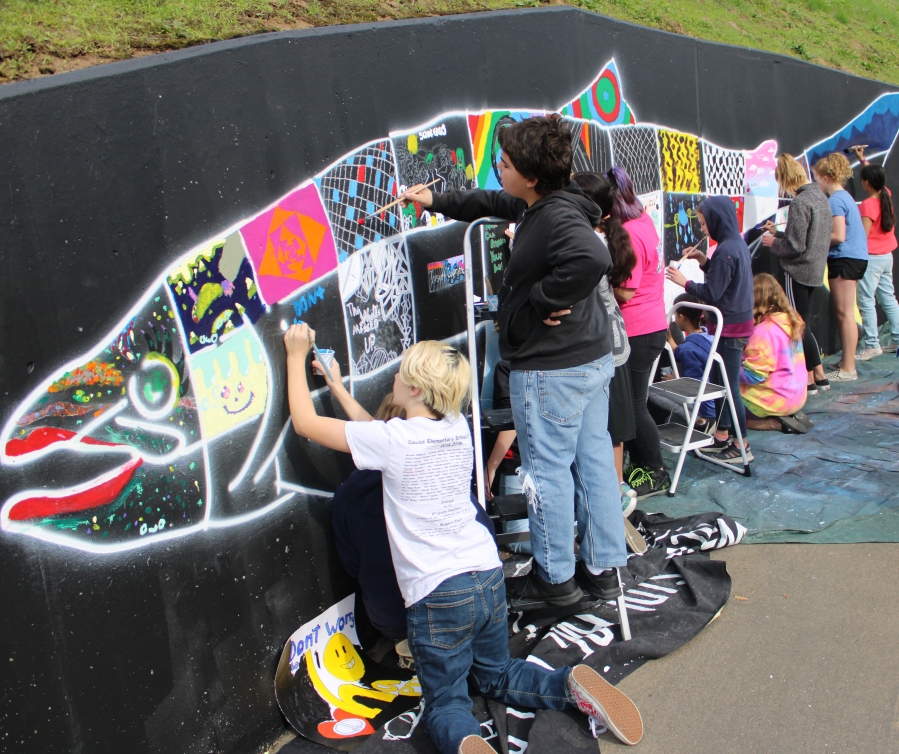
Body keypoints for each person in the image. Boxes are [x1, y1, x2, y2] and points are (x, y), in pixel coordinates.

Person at [283, 327, 644, 753]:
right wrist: (338, 388)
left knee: (446, 703)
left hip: (437, 593)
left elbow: (306, 424)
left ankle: (464, 741)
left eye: (400, 374)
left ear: (415, 389)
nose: (393, 378)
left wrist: (295, 354)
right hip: (486, 575)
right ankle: (567, 686)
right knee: (498, 674)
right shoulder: (456, 427)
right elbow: (373, 433)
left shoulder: (394, 441)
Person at [401, 116, 627, 611]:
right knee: (592, 465)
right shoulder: (546, 202)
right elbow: (489, 201)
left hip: (553, 369)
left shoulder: (554, 217)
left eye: (503, 164)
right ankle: (601, 569)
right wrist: (435, 200)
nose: (497, 169)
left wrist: (543, 299)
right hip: (586, 360)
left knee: (547, 473)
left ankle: (555, 580)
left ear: (530, 175)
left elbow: (592, 257)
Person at [666, 196, 754, 464]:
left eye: (704, 224)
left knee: (729, 388)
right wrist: (704, 261)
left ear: (717, 220)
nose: (703, 229)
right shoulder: (734, 244)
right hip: (734, 325)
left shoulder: (726, 250)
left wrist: (685, 283)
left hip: (730, 329)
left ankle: (741, 445)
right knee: (720, 383)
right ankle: (722, 435)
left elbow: (713, 292)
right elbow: (725, 279)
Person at [600, 167, 670, 498]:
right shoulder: (643, 220)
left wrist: (597, 287)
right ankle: (643, 465)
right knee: (635, 404)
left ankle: (656, 470)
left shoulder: (628, 232)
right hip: (651, 324)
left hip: (638, 329)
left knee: (634, 406)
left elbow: (627, 291)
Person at [571, 171, 639, 510]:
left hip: (607, 347)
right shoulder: (601, 237)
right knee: (612, 427)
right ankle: (615, 491)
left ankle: (614, 495)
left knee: (609, 426)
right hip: (612, 344)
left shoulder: (590, 242)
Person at [761, 153, 832, 393]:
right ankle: (819, 376)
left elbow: (796, 246)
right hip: (814, 270)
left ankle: (811, 380)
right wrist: (779, 234)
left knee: (798, 323)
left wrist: (773, 243)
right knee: (804, 321)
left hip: (798, 271)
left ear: (785, 178)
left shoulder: (800, 202)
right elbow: (807, 238)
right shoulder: (820, 197)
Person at [814, 152, 868, 381]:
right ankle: (848, 361)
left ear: (826, 178)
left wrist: (814, 240)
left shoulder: (835, 200)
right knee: (844, 312)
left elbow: (838, 235)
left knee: (845, 313)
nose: (816, 183)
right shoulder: (844, 197)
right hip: (852, 258)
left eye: (817, 179)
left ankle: (848, 369)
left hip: (845, 259)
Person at [740, 273, 810, 433]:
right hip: (797, 396)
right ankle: (786, 415)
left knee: (722, 407)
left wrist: (728, 370)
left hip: (773, 402)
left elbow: (753, 376)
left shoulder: (764, 332)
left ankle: (770, 423)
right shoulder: (791, 320)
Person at [852, 153, 899, 359]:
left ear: (867, 183)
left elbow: (862, 236)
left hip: (871, 259)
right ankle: (897, 338)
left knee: (865, 300)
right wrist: (863, 160)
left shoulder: (868, 205)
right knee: (888, 298)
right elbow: (876, 179)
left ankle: (872, 344)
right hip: (887, 256)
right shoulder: (885, 194)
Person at [664, 293, 716, 433]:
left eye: (675, 316)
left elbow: (692, 383)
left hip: (706, 406)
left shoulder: (688, 349)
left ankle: (701, 420)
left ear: (682, 317)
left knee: (653, 393)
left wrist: (676, 380)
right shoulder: (708, 335)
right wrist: (670, 338)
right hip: (717, 400)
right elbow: (680, 351)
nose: (674, 319)